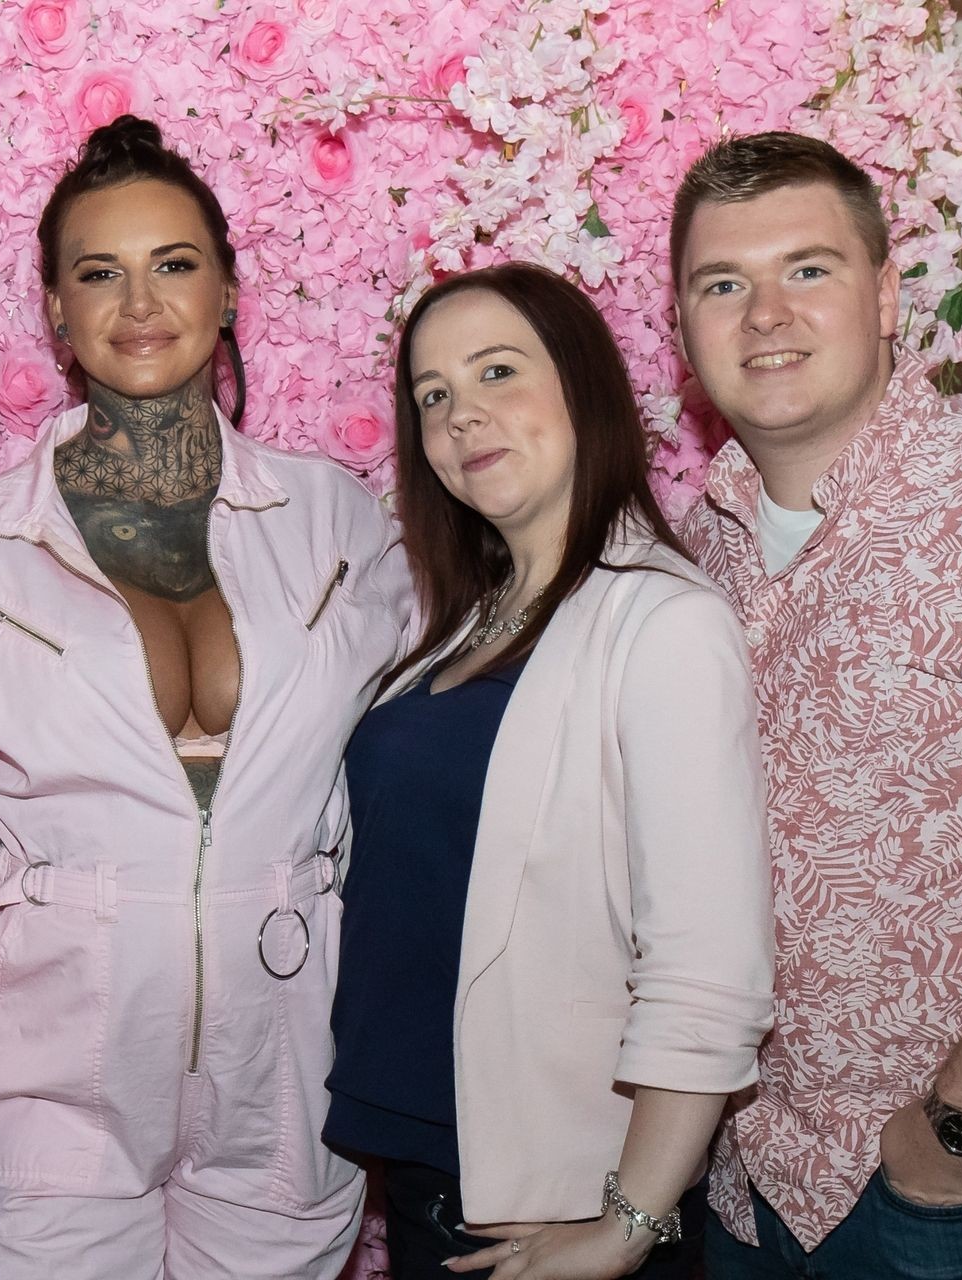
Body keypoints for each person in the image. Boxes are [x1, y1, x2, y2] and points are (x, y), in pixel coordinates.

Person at [0, 115, 414, 1278]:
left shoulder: (335, 519)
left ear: (229, 290)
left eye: (174, 263)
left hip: (288, 1055)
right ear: (55, 309)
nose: (139, 302)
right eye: (100, 272)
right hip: (55, 1058)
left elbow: (412, 758)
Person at [671, 131, 962, 1279]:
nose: (766, 314)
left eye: (808, 269)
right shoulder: (696, 550)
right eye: (723, 284)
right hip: (755, 1184)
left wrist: (957, 1128)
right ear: (683, 325)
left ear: (884, 297)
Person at [324, 264, 775, 1280]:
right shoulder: (467, 623)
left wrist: (629, 1223)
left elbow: (709, 962)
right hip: (433, 1162)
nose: (461, 414)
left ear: (583, 385)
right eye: (433, 394)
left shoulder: (664, 621)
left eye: (497, 371)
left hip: (556, 1191)